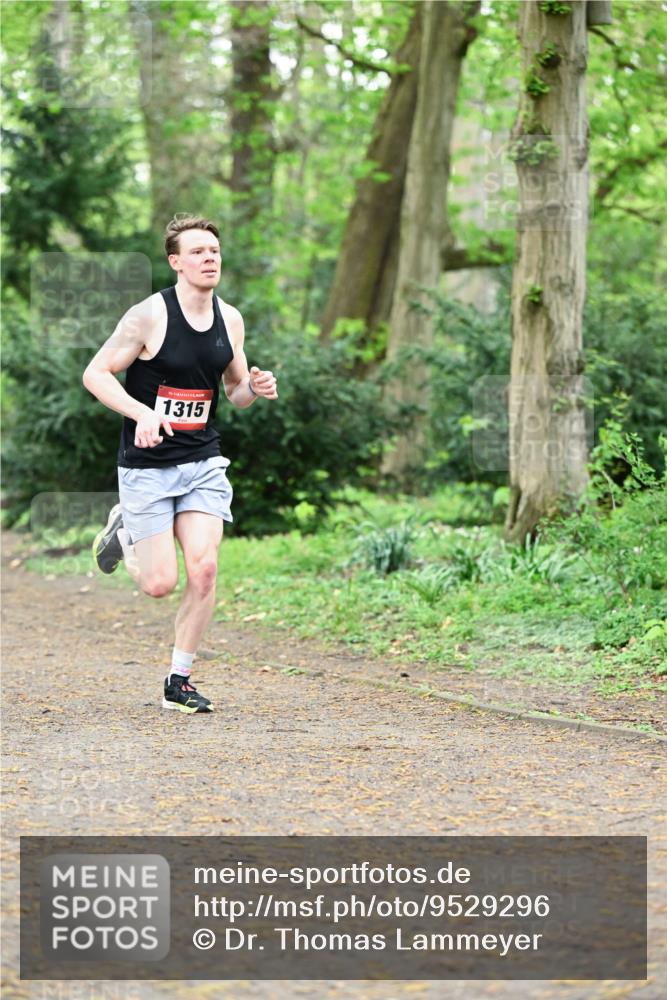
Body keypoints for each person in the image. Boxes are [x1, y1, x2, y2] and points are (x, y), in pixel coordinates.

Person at [83, 214, 278, 714]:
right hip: (147, 466)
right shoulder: (148, 316)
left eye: (214, 250)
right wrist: (140, 411)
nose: (209, 258)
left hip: (202, 461)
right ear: (175, 262)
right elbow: (96, 374)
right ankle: (124, 529)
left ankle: (179, 681)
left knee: (206, 568)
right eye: (197, 251)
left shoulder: (229, 319)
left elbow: (233, 391)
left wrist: (252, 388)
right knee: (158, 585)